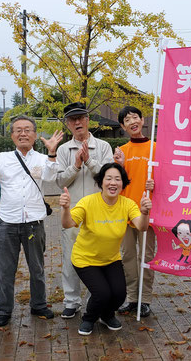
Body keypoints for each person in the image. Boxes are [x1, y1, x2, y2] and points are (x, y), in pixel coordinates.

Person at [0, 116, 64, 327]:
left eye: (27, 129)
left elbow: (50, 176)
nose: (23, 133)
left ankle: (38, 304)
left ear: (35, 135)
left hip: (34, 222)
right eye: (18, 130)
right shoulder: (2, 159)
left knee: (37, 268)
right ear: (12, 136)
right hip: (7, 223)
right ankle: (5, 309)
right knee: (5, 269)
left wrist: (52, 153)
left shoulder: (41, 159)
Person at [59, 162, 152, 336]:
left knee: (118, 294)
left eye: (117, 179)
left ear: (122, 184)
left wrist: (145, 212)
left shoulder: (128, 204)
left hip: (110, 259)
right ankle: (89, 318)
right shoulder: (88, 202)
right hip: (85, 259)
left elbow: (142, 226)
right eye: (108, 178)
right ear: (101, 182)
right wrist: (65, 208)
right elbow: (68, 223)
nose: (113, 183)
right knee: (102, 293)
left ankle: (106, 315)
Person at [56, 102, 113, 319]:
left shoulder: (103, 147)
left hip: (99, 214)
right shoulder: (63, 150)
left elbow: (108, 178)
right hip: (72, 214)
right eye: (72, 120)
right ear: (68, 124)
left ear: (88, 120)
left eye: (81, 118)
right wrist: (76, 165)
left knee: (97, 260)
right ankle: (71, 301)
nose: (77, 122)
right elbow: (59, 180)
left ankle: (94, 300)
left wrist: (89, 161)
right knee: (70, 259)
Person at [113, 106, 155, 318]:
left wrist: (155, 184)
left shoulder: (156, 147)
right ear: (123, 126)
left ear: (142, 119)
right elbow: (115, 184)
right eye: (127, 120)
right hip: (125, 213)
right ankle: (131, 298)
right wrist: (120, 166)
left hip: (147, 212)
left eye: (135, 117)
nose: (132, 122)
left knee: (145, 257)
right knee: (128, 257)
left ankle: (145, 299)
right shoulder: (121, 151)